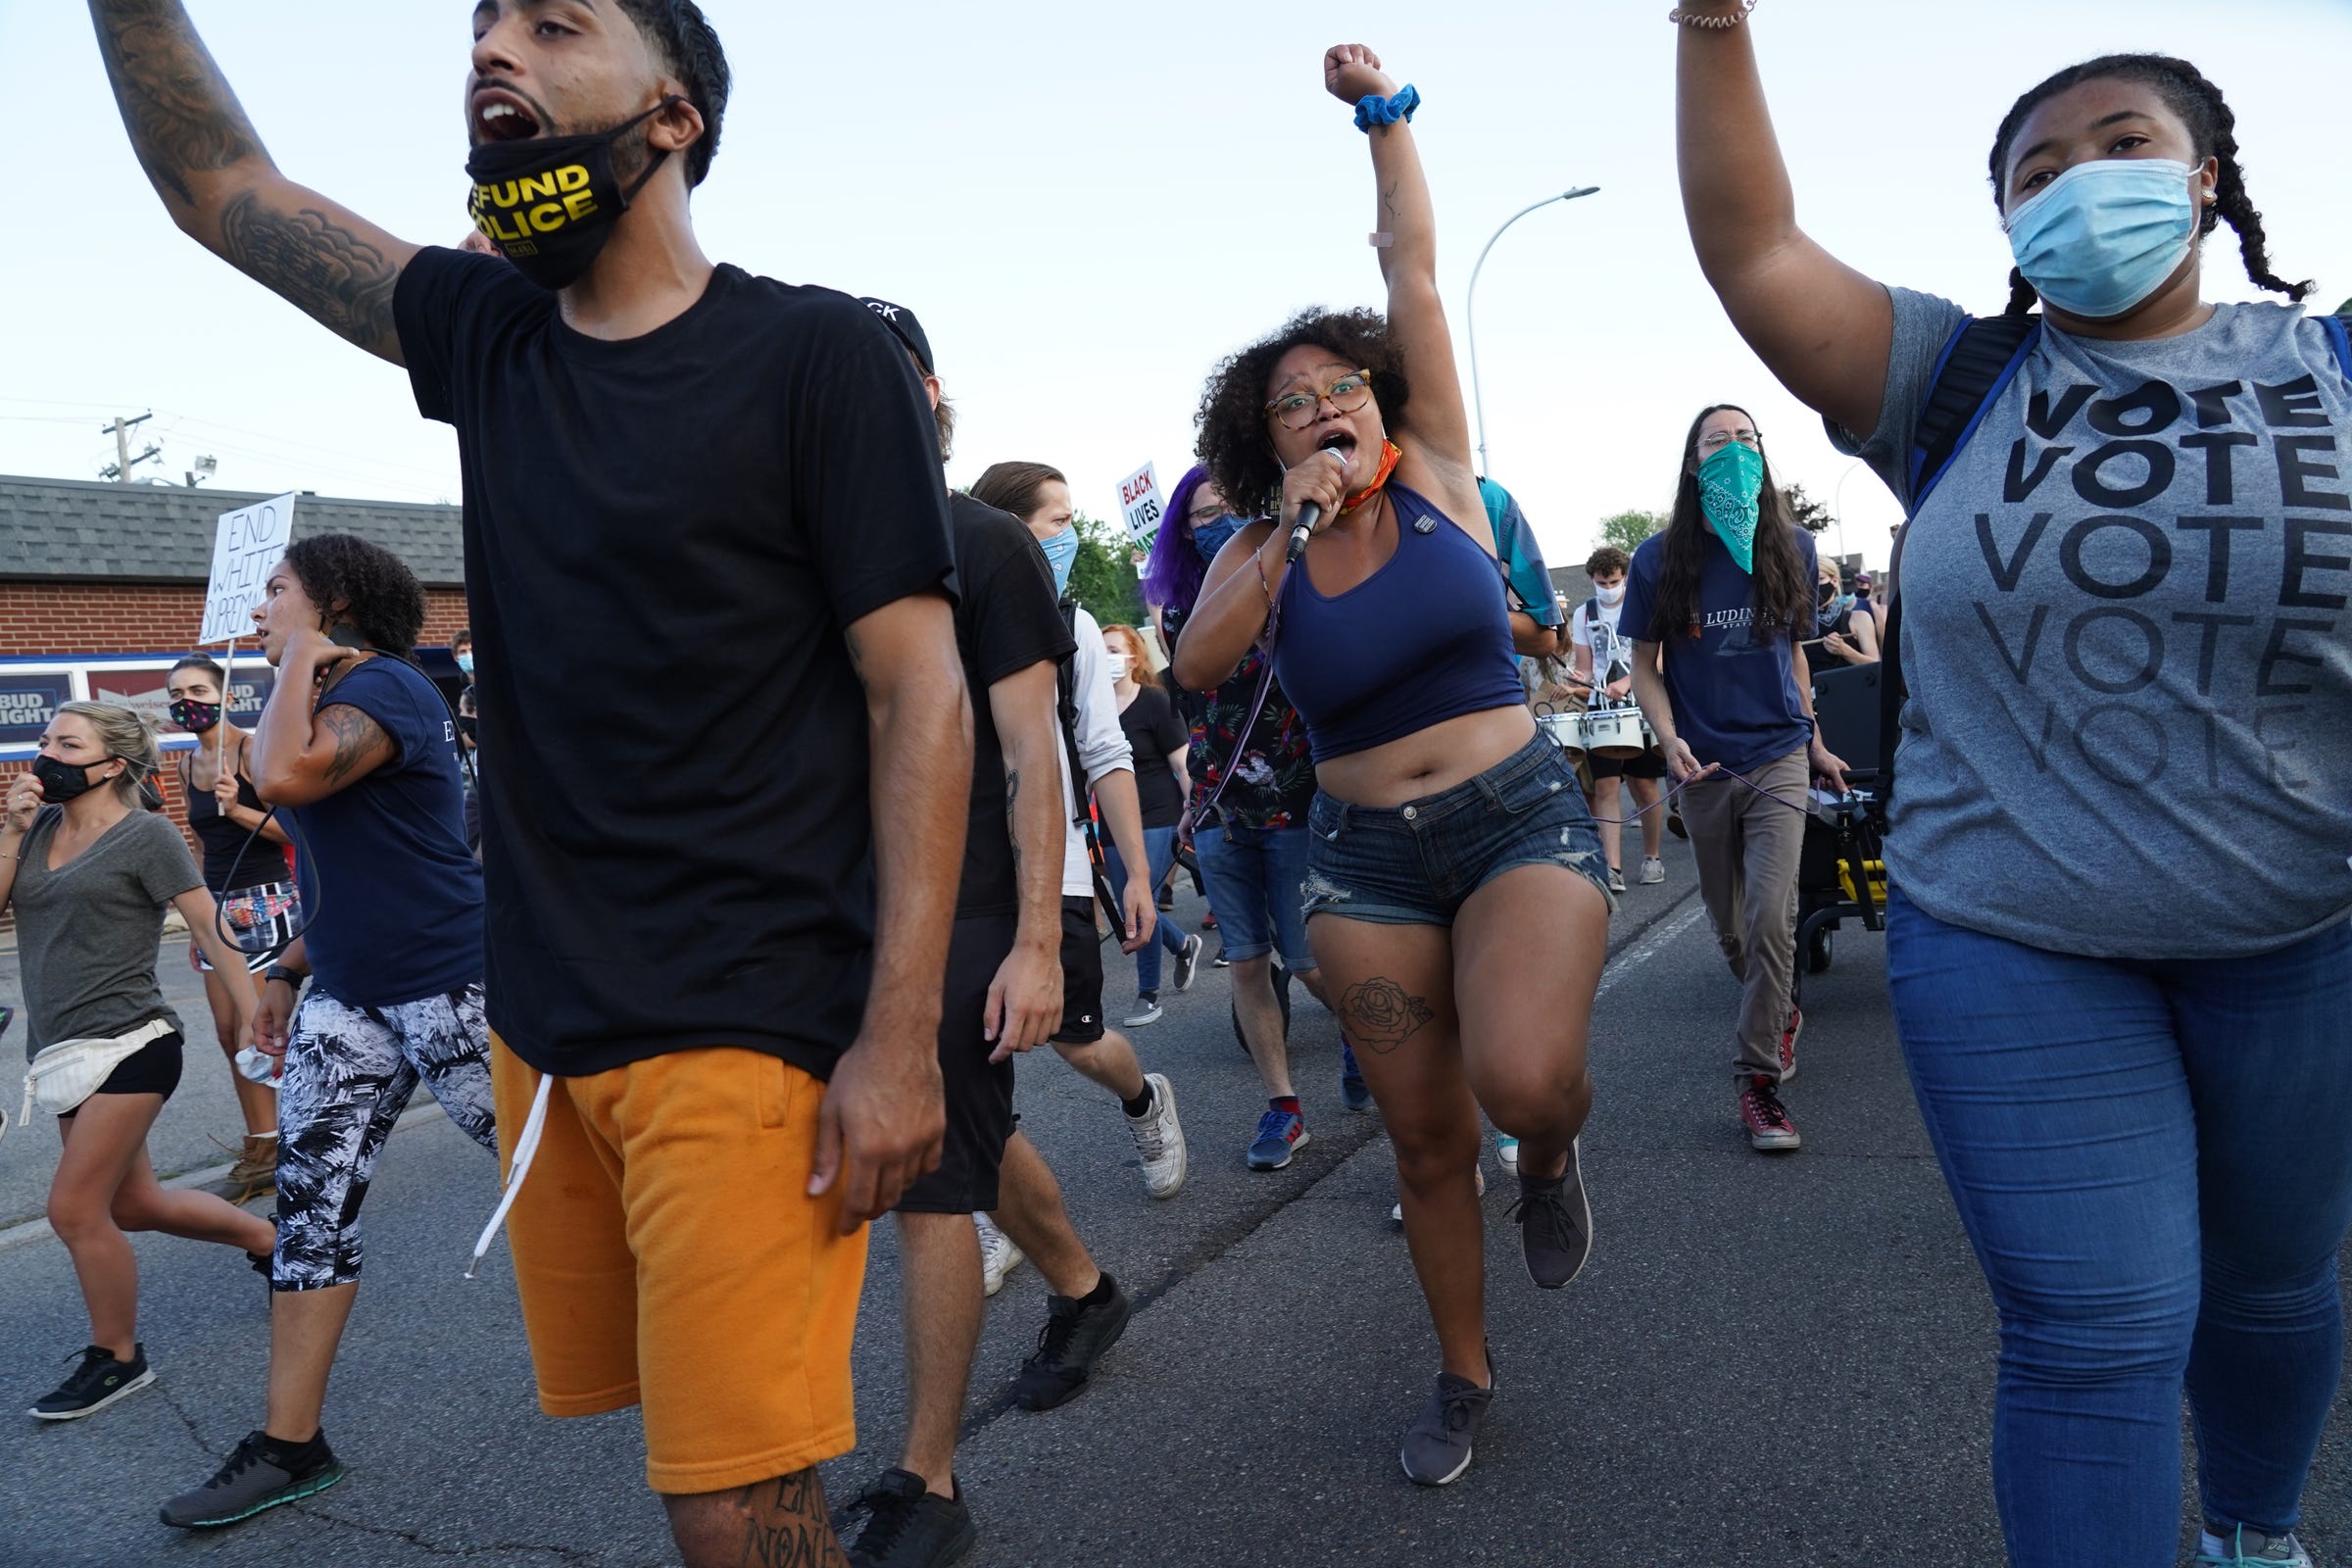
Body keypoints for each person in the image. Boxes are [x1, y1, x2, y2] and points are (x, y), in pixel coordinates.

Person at [92, 5, 970, 1555]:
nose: (496, 48)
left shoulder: (814, 351)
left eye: (557, 23)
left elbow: (919, 697)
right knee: (727, 1480)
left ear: (675, 113)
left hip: (752, 1016)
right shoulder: (492, 338)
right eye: (483, 28)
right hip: (546, 1036)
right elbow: (217, 184)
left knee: (729, 1508)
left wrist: (903, 1037)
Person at [1680, 12, 2352, 1564]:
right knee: (2097, 1328)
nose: (2081, 182)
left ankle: (2255, 1531)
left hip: (2297, 928)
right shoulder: (1950, 379)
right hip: (2009, 932)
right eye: (2036, 169)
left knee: (2272, 1289)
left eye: (2123, 146)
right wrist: (1712, 22)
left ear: (2207, 181)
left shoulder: (2324, 365)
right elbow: (1752, 242)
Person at [1173, 43, 1613, 1488]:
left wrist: (1385, 121)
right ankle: (1463, 1374)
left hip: (1513, 822)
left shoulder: (1437, 468)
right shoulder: (1258, 548)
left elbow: (1411, 266)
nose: (1325, 406)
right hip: (1362, 861)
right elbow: (1196, 669)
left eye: (1340, 387)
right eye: (1294, 403)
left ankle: (1547, 1162)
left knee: (1527, 1078)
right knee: (1425, 1144)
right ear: (1266, 438)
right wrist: (1289, 527)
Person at [842, 302, 1165, 1568]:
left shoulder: (984, 547)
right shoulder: (810, 547)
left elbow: (1039, 754)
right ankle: (1084, 1293)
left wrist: (1039, 940)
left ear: (928, 396)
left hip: (973, 902)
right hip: (852, 910)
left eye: (875, 382)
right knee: (969, 1132)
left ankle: (929, 1484)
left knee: (930, 1175)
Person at [153, 536, 497, 1528]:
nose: (260, 612)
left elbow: (285, 778)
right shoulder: (322, 698)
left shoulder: (389, 688)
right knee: (308, 1212)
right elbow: (346, 856)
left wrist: (301, 651)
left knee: (557, 1168)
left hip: (450, 982)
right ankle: (290, 1442)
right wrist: (290, 969)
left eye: (278, 594)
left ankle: (722, 1323)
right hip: (347, 992)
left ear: (336, 600)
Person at [2, 702, 278, 1422]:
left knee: (74, 1208)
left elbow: (209, 923)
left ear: (113, 764)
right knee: (134, 1204)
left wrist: (254, 1015)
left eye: (67, 742)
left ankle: (118, 1358)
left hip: (134, 1042)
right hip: (62, 1052)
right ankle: (270, 1241)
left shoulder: (148, 834)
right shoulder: (41, 831)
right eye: (46, 739)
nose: (47, 753)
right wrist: (11, 830)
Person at [1620, 406, 1838, 1153]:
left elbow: (1796, 657)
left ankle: (1757, 1083)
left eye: (1748, 439)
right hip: (1702, 763)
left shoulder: (1796, 547)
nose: (1736, 450)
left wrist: (1815, 740)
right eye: (1719, 441)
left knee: (1773, 917)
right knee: (1733, 927)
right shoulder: (1657, 559)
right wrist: (1670, 737)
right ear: (1692, 463)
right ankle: (1778, 1010)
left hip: (1777, 751)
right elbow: (1643, 667)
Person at [968, 462, 1188, 1202]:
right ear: (1004, 525)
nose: (1069, 534)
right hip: (959, 874)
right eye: (1058, 521)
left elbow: (1104, 751)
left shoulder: (1074, 625)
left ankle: (1143, 1100)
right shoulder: (939, 613)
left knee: (1078, 1042)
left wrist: (1136, 874)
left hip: (1052, 867)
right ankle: (993, 1214)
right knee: (965, 1058)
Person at [1143, 463, 1357, 1160]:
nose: (1217, 525)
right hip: (1216, 810)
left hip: (1294, 800)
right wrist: (1190, 800)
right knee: (1245, 962)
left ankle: (1367, 1037)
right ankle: (1283, 1107)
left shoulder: (1294, 581)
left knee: (1304, 959)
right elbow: (1192, 713)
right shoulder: (1179, 612)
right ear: (1182, 528)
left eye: (1231, 509)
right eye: (1202, 516)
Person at [166, 653, 292, 1198]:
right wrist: (196, 916)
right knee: (226, 1034)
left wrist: (239, 809)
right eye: (176, 693)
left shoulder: (253, 749)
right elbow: (197, 843)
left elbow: (294, 831)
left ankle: (300, 1139)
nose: (185, 701)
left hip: (266, 903)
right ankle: (265, 1142)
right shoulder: (186, 763)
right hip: (216, 909)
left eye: (197, 689)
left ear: (226, 696)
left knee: (255, 1033)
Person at [1099, 620, 1203, 1025]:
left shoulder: (1155, 703)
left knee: (1139, 907)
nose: (1106, 658)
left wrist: (1194, 806)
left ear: (1133, 658)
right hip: (1113, 820)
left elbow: (1182, 763)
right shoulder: (1093, 710)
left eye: (1113, 650)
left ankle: (1148, 994)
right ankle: (1182, 946)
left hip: (1159, 814)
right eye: (1100, 651)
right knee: (1131, 902)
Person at [1570, 547, 1669, 894]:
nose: (1607, 587)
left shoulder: (1641, 605)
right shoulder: (1583, 614)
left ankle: (1652, 856)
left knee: (1644, 787)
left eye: (1613, 581)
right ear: (1592, 580)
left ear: (1625, 577)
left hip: (1641, 704)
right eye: (1601, 582)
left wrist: (1628, 682)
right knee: (1606, 786)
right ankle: (1612, 867)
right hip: (1602, 710)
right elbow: (1585, 664)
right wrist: (1576, 678)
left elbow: (1657, 661)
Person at [1812, 563, 1881, 665]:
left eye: (1820, 579)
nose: (1813, 585)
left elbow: (1876, 665)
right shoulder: (1799, 623)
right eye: (1806, 580)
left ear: (1834, 581)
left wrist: (1845, 650)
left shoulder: (1859, 618)